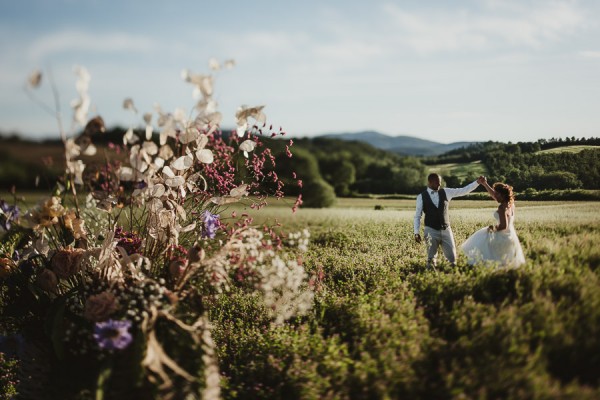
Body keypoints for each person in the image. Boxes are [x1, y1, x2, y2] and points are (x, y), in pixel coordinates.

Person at [414, 173, 482, 268]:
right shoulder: (421, 197)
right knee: (431, 260)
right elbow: (417, 216)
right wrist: (416, 232)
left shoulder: (446, 192)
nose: (439, 185)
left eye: (440, 182)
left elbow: (463, 190)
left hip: (446, 230)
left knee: (452, 259)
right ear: (430, 182)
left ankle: (452, 276)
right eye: (437, 182)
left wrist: (477, 182)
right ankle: (432, 278)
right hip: (430, 231)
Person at [461, 177, 525, 267]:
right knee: (504, 261)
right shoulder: (510, 204)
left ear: (503, 195)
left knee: (481, 243)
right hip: (510, 236)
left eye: (498, 194)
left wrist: (492, 228)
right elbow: (494, 194)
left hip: (502, 237)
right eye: (495, 194)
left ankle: (480, 266)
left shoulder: (502, 208)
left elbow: (503, 226)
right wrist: (485, 184)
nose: (495, 196)